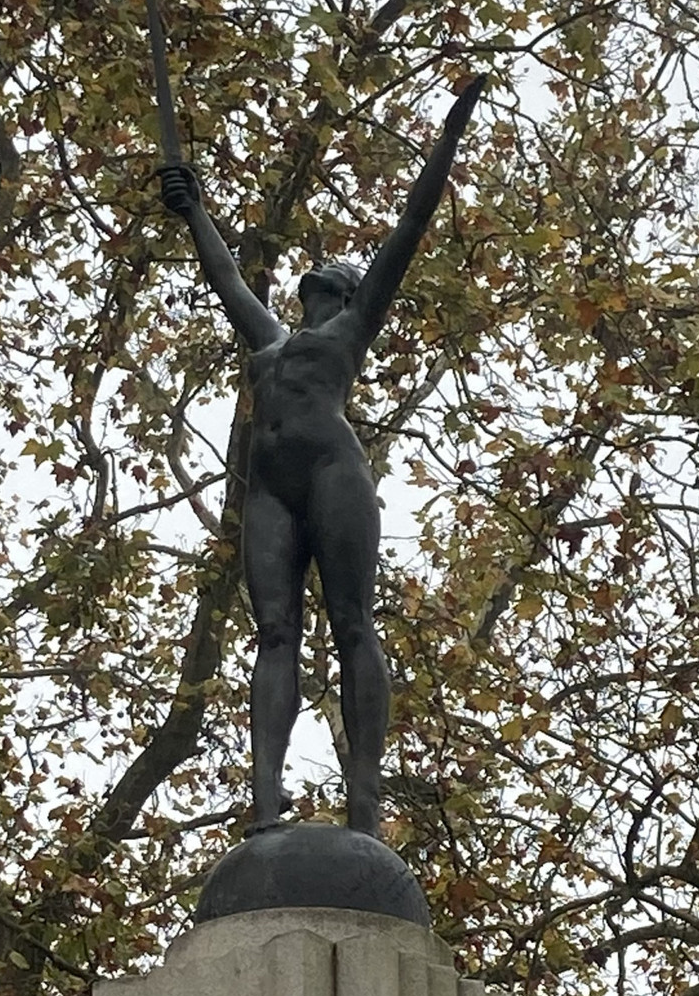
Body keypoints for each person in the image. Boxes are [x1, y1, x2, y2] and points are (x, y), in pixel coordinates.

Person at [158, 77, 484, 838]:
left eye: (323, 282)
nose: (313, 287)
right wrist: (191, 208)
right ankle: (265, 804)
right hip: (268, 485)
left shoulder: (353, 327)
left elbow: (410, 224)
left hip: (334, 473)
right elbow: (228, 278)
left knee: (352, 624)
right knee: (274, 631)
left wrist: (449, 133)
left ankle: (365, 800)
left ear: (338, 293)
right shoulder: (268, 343)